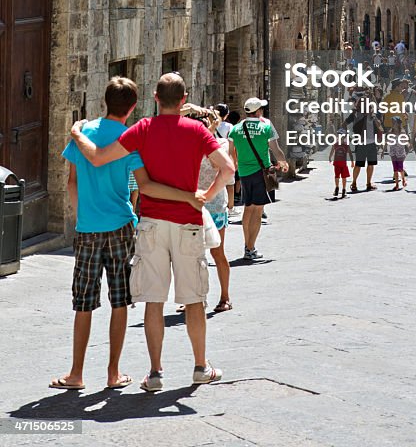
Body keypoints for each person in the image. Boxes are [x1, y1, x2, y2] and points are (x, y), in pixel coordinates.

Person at [70, 72, 234, 392]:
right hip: (188, 223)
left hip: (152, 224)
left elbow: (99, 157)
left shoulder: (143, 129)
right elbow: (227, 168)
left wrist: (77, 133)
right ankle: (201, 366)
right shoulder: (197, 131)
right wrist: (204, 192)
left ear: (156, 99)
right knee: (195, 300)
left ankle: (156, 373)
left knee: (154, 301)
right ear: (184, 99)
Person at [183, 105, 234, 313]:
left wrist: (211, 131)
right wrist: (188, 109)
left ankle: (225, 296)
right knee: (191, 254)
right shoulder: (186, 144)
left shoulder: (220, 143)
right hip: (194, 204)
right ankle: (195, 297)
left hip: (213, 204)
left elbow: (218, 166)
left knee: (217, 253)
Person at [227, 97, 289, 260]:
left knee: (248, 208)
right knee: (258, 210)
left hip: (244, 172)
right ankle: (250, 248)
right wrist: (283, 162)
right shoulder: (266, 126)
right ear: (259, 111)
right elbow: (275, 149)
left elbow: (231, 153)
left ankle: (247, 245)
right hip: (261, 172)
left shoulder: (235, 129)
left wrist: (234, 166)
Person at [348, 93, 384, 191]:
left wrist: (373, 116)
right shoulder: (356, 114)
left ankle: (368, 183)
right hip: (361, 142)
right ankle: (354, 183)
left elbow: (379, 125)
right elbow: (348, 124)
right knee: (358, 164)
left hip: (372, 142)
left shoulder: (372, 113)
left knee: (371, 164)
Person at [329, 126, 353, 198]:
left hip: (342, 164)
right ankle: (338, 188)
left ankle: (343, 189)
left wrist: (352, 162)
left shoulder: (345, 145)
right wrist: (330, 157)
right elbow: (332, 151)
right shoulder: (336, 144)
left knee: (343, 177)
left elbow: (350, 153)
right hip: (337, 164)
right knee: (338, 176)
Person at [388, 116, 408, 189]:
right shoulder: (391, 131)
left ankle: (403, 179)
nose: (393, 123)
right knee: (395, 169)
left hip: (400, 152)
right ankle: (397, 184)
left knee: (400, 168)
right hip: (393, 152)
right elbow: (388, 140)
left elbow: (405, 141)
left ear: (398, 123)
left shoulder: (402, 131)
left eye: (394, 122)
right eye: (392, 122)